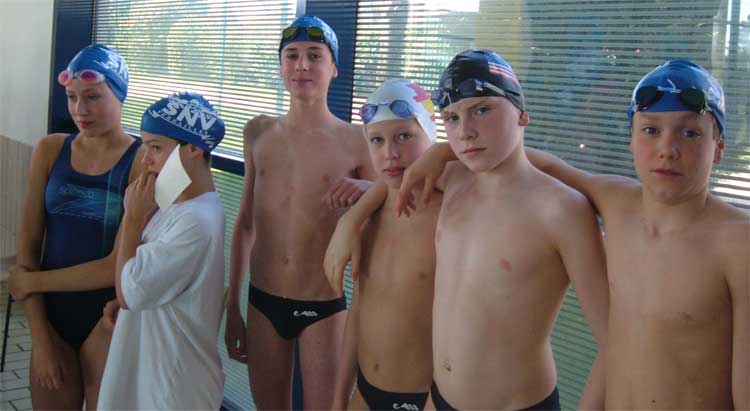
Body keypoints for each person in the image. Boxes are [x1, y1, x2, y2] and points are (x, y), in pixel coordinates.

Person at [392, 49, 610, 410]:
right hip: (439, 397)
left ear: (522, 114)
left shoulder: (561, 210)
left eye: (482, 110)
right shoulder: (452, 180)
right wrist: (351, 220)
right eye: (452, 118)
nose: (465, 132)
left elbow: (613, 339)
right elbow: (394, 178)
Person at [523, 60, 747, 409]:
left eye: (690, 133)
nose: (667, 149)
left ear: (718, 147)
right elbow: (536, 164)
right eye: (651, 130)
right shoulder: (617, 204)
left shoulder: (737, 245)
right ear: (631, 138)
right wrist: (442, 154)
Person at [224, 15, 376, 410]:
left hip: (322, 304)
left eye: (314, 55)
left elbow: (392, 216)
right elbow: (246, 224)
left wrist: (372, 189)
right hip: (262, 300)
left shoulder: (357, 140)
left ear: (334, 68)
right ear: (280, 66)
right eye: (291, 55)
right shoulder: (257, 132)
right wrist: (232, 305)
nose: (302, 65)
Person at [7, 44, 143, 410]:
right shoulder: (50, 150)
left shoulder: (142, 159)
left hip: (108, 320)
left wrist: (31, 283)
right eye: (71, 97)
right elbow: (28, 250)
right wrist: (41, 340)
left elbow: (115, 266)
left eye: (93, 97)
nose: (80, 110)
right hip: (51, 318)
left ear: (119, 94)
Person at [96, 92, 226, 410]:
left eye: (156, 147)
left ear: (193, 148)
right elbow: (140, 282)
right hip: (158, 370)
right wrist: (126, 303)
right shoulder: (180, 205)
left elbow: (132, 293)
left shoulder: (195, 221)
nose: (145, 159)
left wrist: (132, 217)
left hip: (174, 384)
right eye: (145, 146)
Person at [324, 79, 441, 411]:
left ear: (431, 135)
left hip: (425, 399)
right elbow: (359, 309)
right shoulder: (370, 216)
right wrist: (339, 397)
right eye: (377, 139)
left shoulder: (453, 212)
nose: (390, 153)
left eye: (404, 136)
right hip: (365, 392)